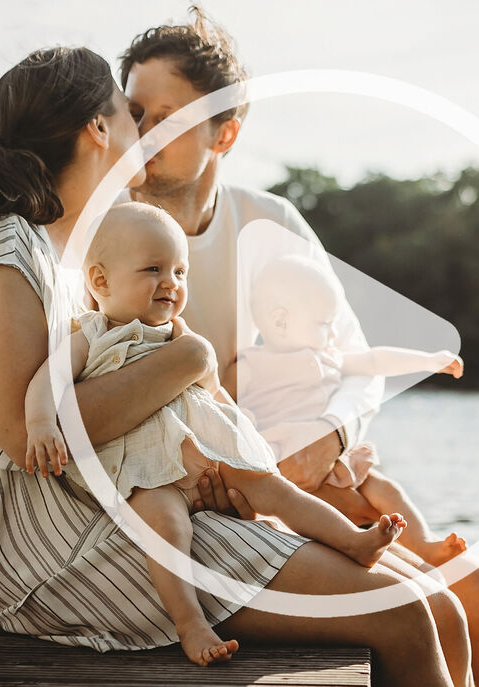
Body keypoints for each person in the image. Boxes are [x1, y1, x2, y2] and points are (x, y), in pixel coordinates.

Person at [0, 46, 460, 686]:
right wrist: (188, 358)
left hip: (117, 501)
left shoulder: (68, 249)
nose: (145, 131)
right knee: (404, 613)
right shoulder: (11, 249)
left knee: (436, 603)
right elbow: (30, 442)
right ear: (99, 128)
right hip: (51, 544)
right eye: (130, 112)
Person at [120, 8, 479, 686]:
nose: (139, 135)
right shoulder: (105, 240)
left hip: (307, 479)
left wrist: (332, 437)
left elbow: (356, 364)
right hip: (208, 507)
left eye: (164, 117)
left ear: (224, 132)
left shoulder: (271, 220)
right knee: (431, 607)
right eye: (133, 111)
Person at [24, 203, 407, 666]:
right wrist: (41, 424)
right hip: (147, 474)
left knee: (276, 490)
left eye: (180, 271)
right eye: (153, 269)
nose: (172, 282)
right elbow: (47, 381)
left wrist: (246, 444)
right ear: (100, 281)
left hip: (204, 457)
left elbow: (218, 396)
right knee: (165, 529)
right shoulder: (91, 335)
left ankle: (352, 540)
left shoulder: (179, 334)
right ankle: (190, 623)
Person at [240, 254, 467, 566]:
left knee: (385, 489)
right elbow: (225, 405)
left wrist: (428, 362)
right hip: (282, 465)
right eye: (325, 325)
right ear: (280, 321)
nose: (334, 335)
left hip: (330, 463)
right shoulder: (251, 365)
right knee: (303, 508)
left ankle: (423, 544)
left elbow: (375, 361)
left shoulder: (330, 356)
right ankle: (352, 542)